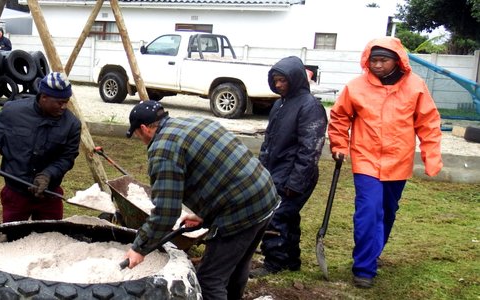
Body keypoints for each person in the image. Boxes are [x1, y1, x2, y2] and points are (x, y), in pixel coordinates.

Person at [122, 101, 279, 300]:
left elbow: (166, 213)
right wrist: (204, 215)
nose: (139, 138)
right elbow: (221, 172)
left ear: (143, 128)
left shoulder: (163, 149)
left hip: (241, 210)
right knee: (237, 265)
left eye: (136, 133)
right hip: (264, 194)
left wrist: (139, 248)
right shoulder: (194, 123)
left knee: (209, 280)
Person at [328, 37, 442, 289]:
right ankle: (364, 268)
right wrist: (338, 144)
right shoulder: (356, 87)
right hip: (366, 160)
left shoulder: (416, 86)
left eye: (383, 60)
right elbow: (339, 116)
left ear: (397, 61)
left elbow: (429, 122)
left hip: (398, 162)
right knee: (368, 212)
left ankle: (373, 250)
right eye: (373, 60)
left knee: (387, 212)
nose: (377, 65)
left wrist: (431, 154)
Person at [250, 56, 328, 278]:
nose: (278, 85)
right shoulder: (279, 104)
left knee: (276, 215)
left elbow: (311, 149)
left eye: (283, 80)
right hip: (275, 170)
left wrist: (296, 181)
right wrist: (261, 171)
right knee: (288, 216)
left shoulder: (310, 106)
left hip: (296, 172)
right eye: (275, 80)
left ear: (295, 79)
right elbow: (269, 141)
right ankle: (291, 260)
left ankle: (275, 262)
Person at [0, 72, 80, 222]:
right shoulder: (13, 112)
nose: (64, 107)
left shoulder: (72, 125)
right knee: (13, 239)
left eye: (67, 101)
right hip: (16, 194)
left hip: (49, 195)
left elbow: (67, 157)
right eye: (60, 102)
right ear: (44, 97)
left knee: (51, 239)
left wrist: (48, 174)